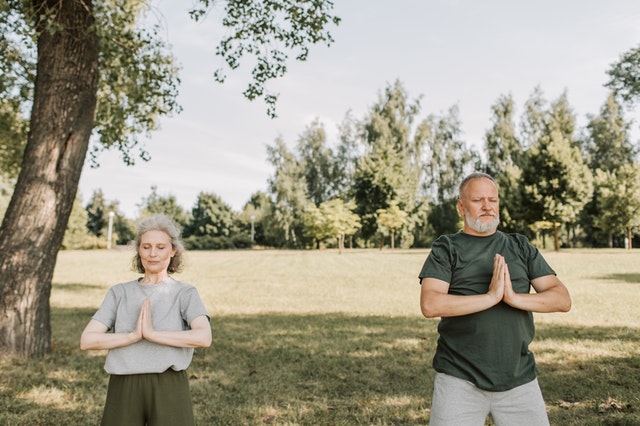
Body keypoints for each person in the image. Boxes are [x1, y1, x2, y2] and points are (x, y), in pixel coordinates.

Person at [418, 172, 571, 426]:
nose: (487, 206)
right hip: (459, 378)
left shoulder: (520, 246)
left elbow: (562, 299)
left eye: (493, 200)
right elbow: (431, 304)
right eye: (478, 200)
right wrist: (489, 297)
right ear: (461, 207)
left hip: (519, 378)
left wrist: (513, 298)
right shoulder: (446, 248)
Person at [81, 214, 212, 426]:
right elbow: (88, 340)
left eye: (161, 247)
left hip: (168, 384)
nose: (153, 254)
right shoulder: (119, 292)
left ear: (173, 250)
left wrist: (153, 335)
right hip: (124, 384)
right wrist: (133, 336)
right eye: (146, 247)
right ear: (138, 250)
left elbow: (204, 337)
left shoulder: (185, 293)